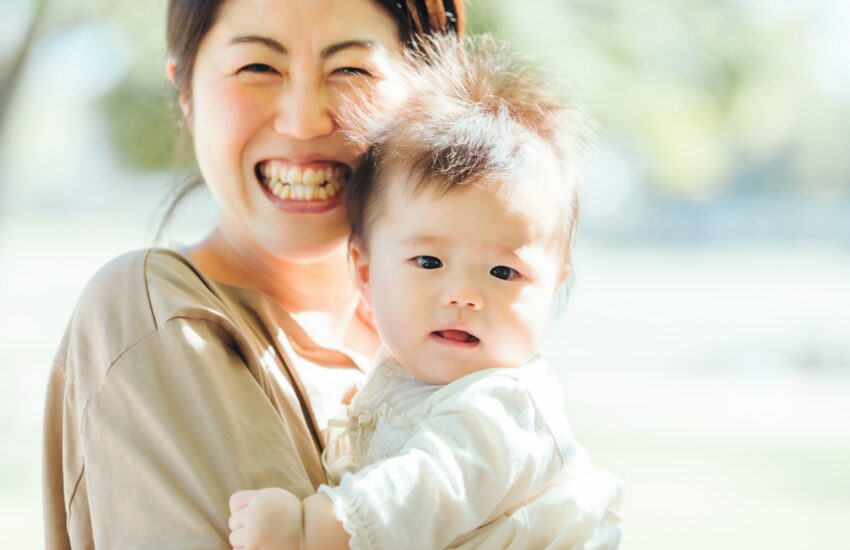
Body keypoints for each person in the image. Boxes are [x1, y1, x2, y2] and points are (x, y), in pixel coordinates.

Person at [42, 0, 619, 548]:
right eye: (258, 65)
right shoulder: (160, 319)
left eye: (349, 68)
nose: (303, 120)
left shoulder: (446, 355)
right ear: (186, 91)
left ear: (428, 85)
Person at [227, 35, 621, 550]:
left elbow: (426, 491)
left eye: (504, 273)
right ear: (365, 274)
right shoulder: (398, 377)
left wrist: (308, 529)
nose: (464, 295)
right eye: (429, 262)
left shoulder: (506, 406)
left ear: (555, 285)